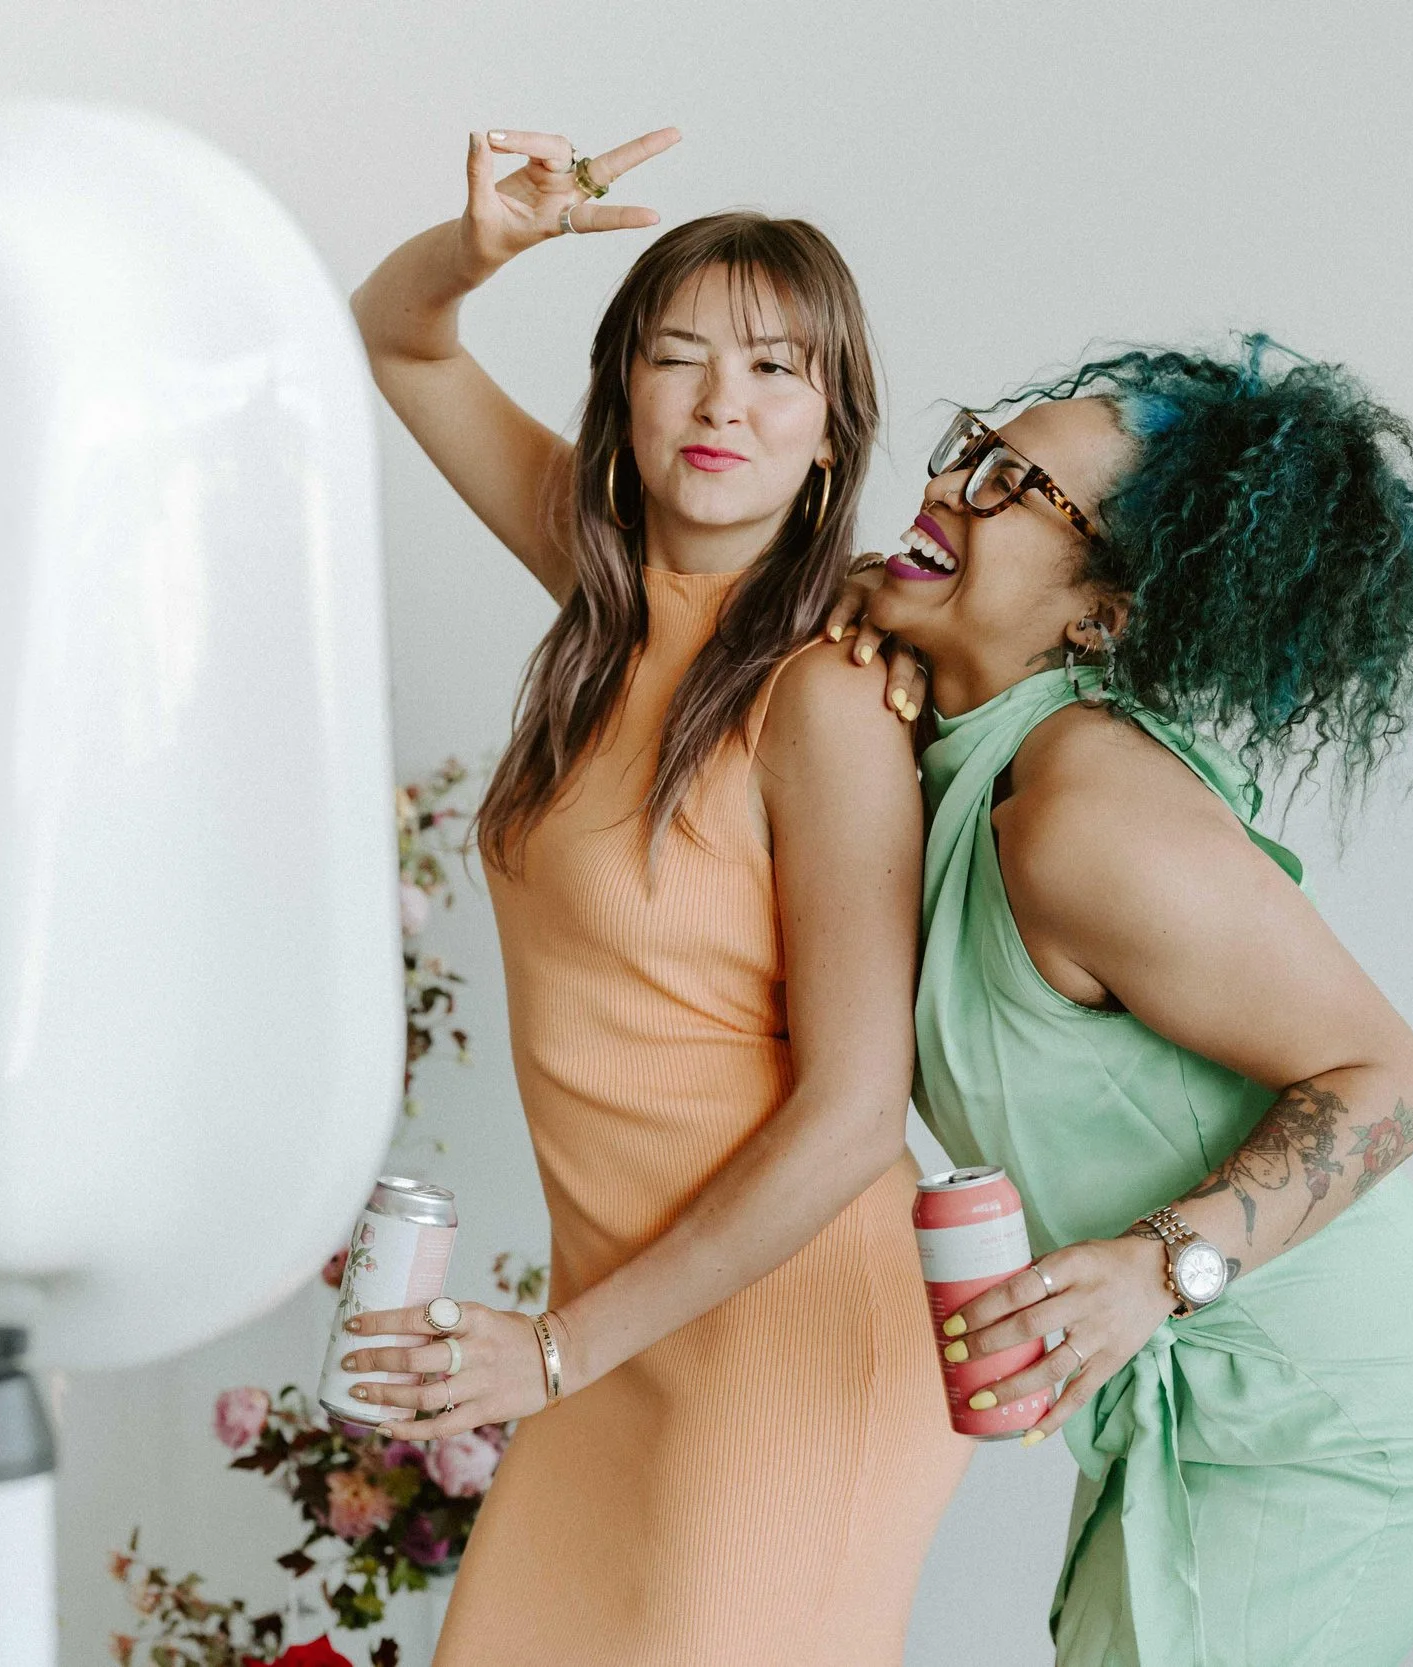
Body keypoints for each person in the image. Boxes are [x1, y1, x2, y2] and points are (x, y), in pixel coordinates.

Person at [337, 127, 968, 1667]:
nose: (720, 403)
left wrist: (554, 1350)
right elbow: (391, 335)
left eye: (773, 370)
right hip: (608, 1328)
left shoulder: (823, 697)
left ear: (832, 432)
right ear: (624, 394)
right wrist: (482, 246)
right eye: (678, 358)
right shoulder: (604, 589)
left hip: (780, 1329)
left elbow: (851, 1111)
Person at [838, 341, 1413, 1664]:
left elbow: (1396, 1079)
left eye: (1015, 485)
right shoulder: (959, 746)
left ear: (1102, 616)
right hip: (1207, 1381)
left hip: (1339, 1403)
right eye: (974, 448)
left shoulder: (1085, 811)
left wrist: (1164, 1266)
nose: (952, 491)